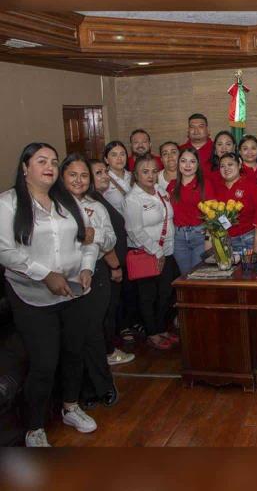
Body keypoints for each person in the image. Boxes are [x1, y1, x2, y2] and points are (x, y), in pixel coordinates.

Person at [0, 143, 99, 447]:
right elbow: (5, 251)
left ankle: (70, 407)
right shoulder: (8, 203)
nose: (50, 166)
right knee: (44, 362)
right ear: (25, 167)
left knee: (74, 353)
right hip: (32, 295)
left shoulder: (67, 200)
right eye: (41, 160)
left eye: (54, 161)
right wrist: (45, 274)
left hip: (73, 290)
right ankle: (34, 426)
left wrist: (86, 268)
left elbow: (89, 240)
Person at [60, 154, 122, 407]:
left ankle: (102, 385)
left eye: (84, 175)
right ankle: (80, 391)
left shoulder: (96, 206)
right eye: (73, 175)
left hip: (95, 275)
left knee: (93, 331)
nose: (79, 180)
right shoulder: (55, 206)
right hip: (62, 278)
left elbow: (110, 240)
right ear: (62, 177)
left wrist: (94, 236)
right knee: (74, 336)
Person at [123, 154, 178, 351]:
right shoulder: (132, 199)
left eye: (154, 171)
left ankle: (162, 327)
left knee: (165, 293)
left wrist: (165, 251)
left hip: (168, 250)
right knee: (148, 296)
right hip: (147, 254)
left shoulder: (161, 191)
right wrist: (156, 251)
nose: (151, 175)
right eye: (145, 172)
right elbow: (134, 230)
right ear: (135, 175)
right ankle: (152, 332)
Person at [88, 159, 134, 366]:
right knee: (105, 310)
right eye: (98, 173)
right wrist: (114, 265)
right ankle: (107, 352)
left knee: (111, 308)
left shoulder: (99, 198)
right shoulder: (90, 203)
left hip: (112, 264)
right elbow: (98, 238)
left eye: (105, 172)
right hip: (105, 266)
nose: (105, 176)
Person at [167, 147, 214, 276]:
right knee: (185, 276)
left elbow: (212, 215)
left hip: (199, 236)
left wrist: (208, 240)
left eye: (192, 161)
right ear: (178, 163)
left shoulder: (205, 184)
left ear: (198, 165)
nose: (187, 165)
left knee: (198, 276)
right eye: (183, 161)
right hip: (178, 239)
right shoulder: (171, 185)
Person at [214, 153, 257, 253]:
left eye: (230, 164)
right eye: (222, 166)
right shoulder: (217, 189)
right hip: (225, 241)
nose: (226, 168)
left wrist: (256, 247)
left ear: (239, 165)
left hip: (249, 240)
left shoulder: (253, 187)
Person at [179, 113, 214, 177]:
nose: (196, 130)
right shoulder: (180, 150)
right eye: (192, 127)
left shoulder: (217, 149)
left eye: (201, 126)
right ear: (188, 131)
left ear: (208, 130)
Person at [103, 140, 133, 215]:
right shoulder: (103, 180)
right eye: (114, 155)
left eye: (122, 154)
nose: (119, 158)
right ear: (106, 160)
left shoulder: (133, 176)